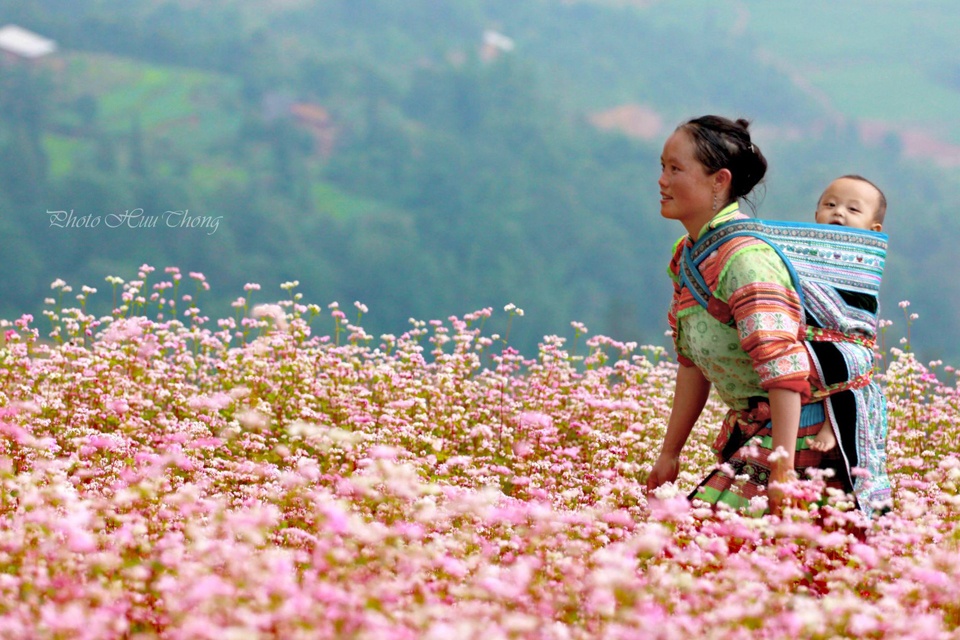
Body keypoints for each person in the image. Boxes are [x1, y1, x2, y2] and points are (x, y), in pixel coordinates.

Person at [646, 115, 854, 516]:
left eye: (675, 169)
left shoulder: (747, 260)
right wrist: (670, 453)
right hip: (757, 435)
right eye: (662, 167)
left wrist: (782, 470)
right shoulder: (688, 256)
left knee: (717, 546)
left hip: (802, 441)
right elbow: (691, 363)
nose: (662, 180)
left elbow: (784, 371)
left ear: (719, 181)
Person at [807, 174, 886, 452]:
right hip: (802, 338)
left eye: (853, 209)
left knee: (849, 359)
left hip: (845, 341)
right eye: (830, 205)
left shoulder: (865, 270)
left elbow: (859, 318)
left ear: (874, 230)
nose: (838, 212)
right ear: (816, 216)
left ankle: (835, 422)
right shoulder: (801, 254)